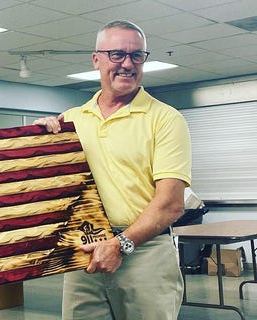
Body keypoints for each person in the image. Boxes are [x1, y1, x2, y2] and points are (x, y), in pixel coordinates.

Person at [34, 20, 191, 320]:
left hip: (146, 254)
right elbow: (50, 188)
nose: (127, 64)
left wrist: (121, 244)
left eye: (137, 55)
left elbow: (171, 203)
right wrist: (35, 145)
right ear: (96, 59)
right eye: (117, 54)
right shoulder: (72, 120)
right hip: (84, 253)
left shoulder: (166, 119)